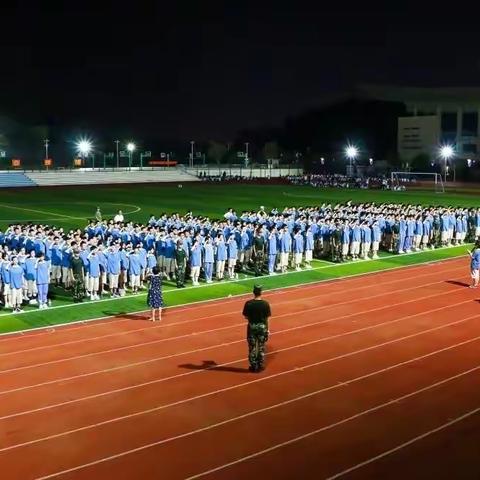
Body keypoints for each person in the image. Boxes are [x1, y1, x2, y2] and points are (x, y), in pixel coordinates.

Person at [242, 284, 272, 373]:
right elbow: (267, 318)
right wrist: (267, 329)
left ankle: (253, 365)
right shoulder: (265, 304)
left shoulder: (248, 303)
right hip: (262, 327)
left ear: (253, 292)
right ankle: (260, 365)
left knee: (252, 347)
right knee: (261, 346)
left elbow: (246, 316)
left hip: (252, 327)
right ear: (261, 293)